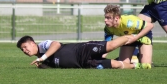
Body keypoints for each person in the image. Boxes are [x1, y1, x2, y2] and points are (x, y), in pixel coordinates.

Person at [17, 35, 148, 69]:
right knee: (116, 65)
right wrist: (43, 65)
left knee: (112, 45)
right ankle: (138, 66)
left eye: (25, 46)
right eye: (22, 50)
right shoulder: (41, 59)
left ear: (33, 43)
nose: (25, 50)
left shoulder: (43, 46)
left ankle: (135, 36)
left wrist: (42, 57)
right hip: (84, 64)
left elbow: (56, 44)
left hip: (83, 50)